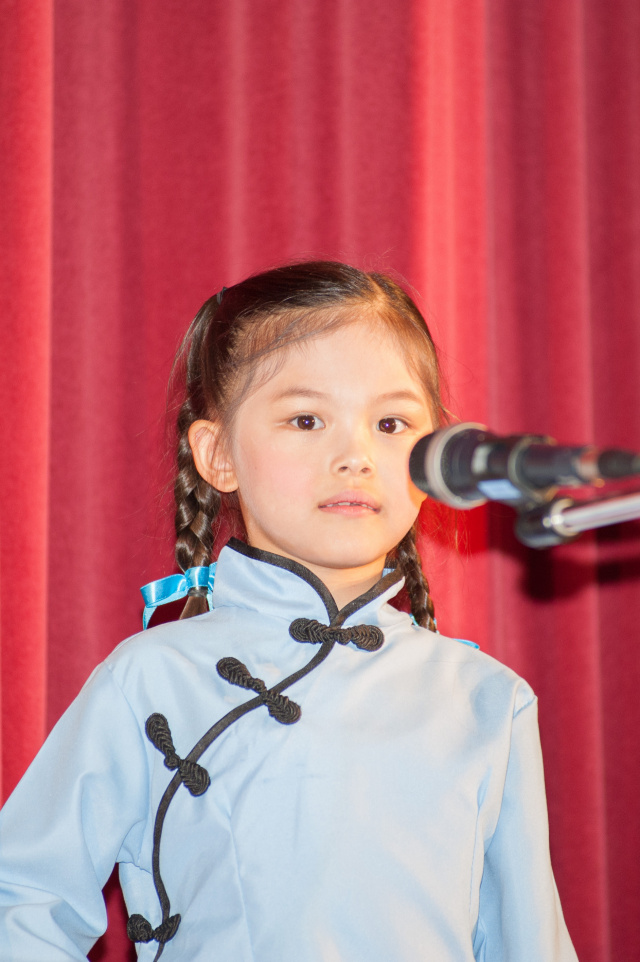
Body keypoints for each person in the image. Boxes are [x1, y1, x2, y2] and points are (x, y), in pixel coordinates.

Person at [0, 261, 577, 961]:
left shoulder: (486, 699)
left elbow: (530, 944)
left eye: (391, 423)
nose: (356, 455)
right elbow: (20, 901)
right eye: (307, 420)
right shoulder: (150, 678)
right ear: (218, 454)